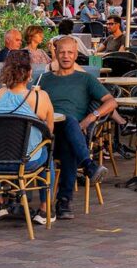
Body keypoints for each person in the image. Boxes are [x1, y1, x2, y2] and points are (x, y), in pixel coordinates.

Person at [0, 49, 56, 222]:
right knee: (47, 157)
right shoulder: (41, 97)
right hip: (26, 164)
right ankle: (45, 209)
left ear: (4, 71)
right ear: (30, 72)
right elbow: (49, 133)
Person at [37, 37, 115, 219]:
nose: (65, 56)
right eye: (62, 52)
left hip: (73, 132)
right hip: (46, 131)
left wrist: (90, 118)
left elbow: (111, 102)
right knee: (70, 124)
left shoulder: (85, 79)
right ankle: (87, 167)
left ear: (76, 55)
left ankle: (64, 200)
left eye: (70, 52)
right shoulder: (44, 79)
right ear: (55, 54)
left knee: (70, 132)